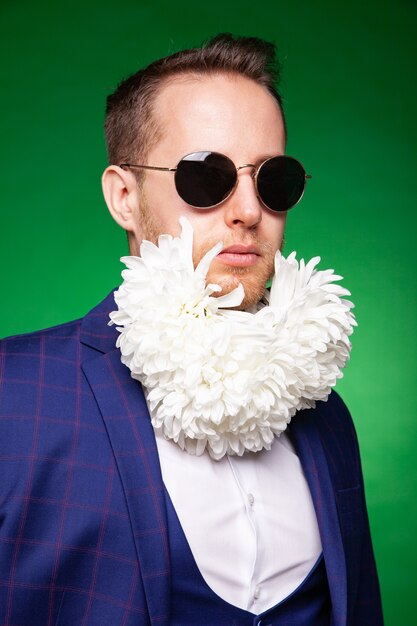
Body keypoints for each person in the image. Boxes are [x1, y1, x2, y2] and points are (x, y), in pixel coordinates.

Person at [0, 34, 383, 625]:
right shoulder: (13, 395)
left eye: (273, 179)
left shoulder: (326, 418)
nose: (249, 211)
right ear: (124, 197)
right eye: (207, 177)